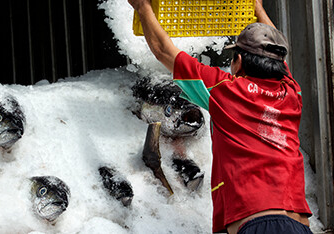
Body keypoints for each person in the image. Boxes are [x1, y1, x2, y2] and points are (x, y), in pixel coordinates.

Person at [127, 0, 313, 233]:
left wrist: (142, 7)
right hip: (298, 222)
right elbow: (278, 57)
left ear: (240, 62)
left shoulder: (226, 91)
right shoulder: (291, 92)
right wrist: (258, 8)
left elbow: (164, 51)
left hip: (258, 221)